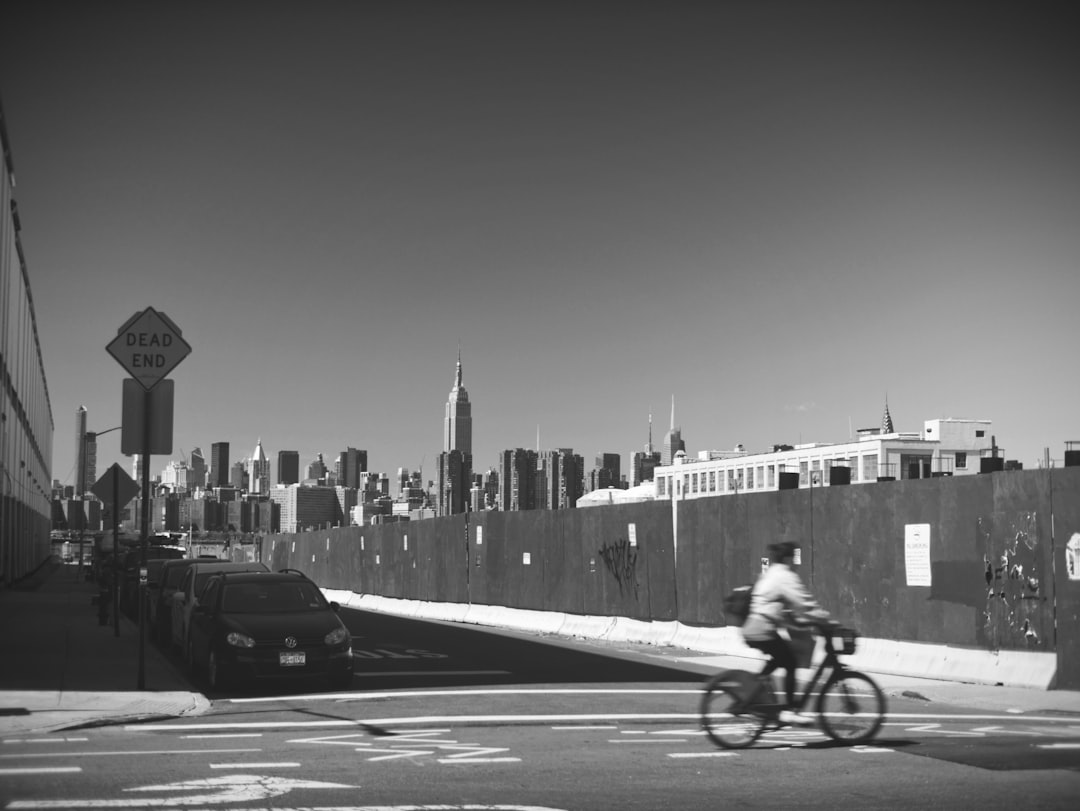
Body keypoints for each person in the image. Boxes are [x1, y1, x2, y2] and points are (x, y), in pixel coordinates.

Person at [741, 541, 831, 726]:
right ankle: (789, 711)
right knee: (790, 662)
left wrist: (800, 622)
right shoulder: (784, 576)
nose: (796, 562)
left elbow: (779, 607)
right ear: (789, 558)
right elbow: (803, 603)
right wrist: (826, 620)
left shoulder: (772, 572)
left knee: (781, 658)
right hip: (763, 629)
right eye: (794, 557)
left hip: (754, 627)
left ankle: (758, 685)